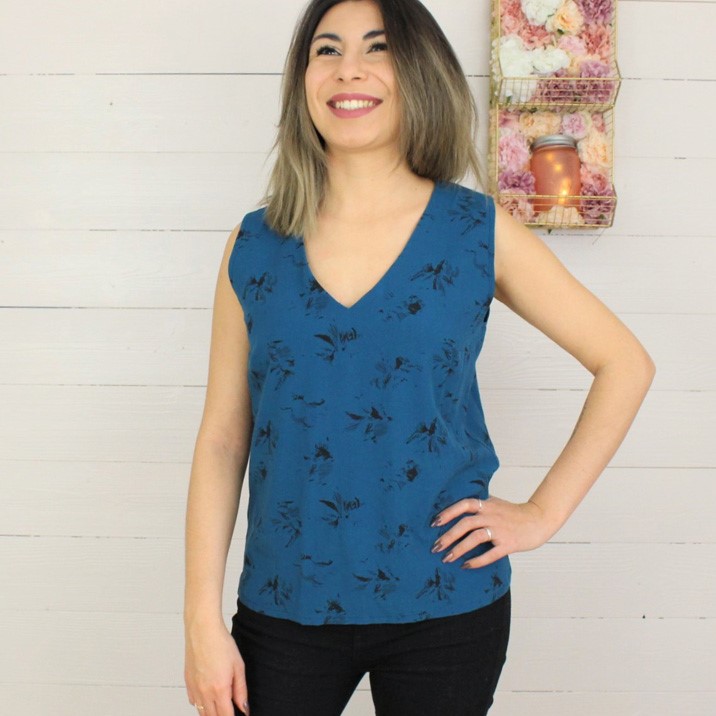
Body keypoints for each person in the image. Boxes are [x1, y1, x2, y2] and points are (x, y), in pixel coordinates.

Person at [183, 0, 656, 714]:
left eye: (377, 48)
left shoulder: (475, 231)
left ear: (417, 72)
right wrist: (200, 621)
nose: (349, 70)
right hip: (286, 602)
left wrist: (541, 512)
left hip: (447, 605)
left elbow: (624, 361)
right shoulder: (254, 245)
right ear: (302, 79)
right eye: (326, 50)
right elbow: (223, 438)